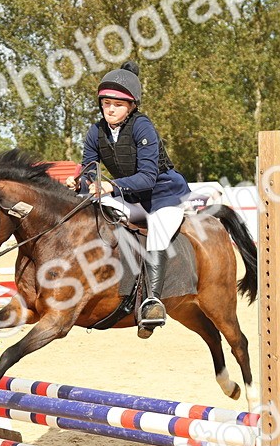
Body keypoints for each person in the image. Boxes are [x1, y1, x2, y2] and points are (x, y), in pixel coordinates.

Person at [70, 61, 191, 339]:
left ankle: (152, 303)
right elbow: (89, 171)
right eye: (106, 103)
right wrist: (81, 183)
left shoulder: (142, 127)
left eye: (117, 104)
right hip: (129, 196)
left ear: (132, 106)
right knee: (95, 213)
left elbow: (148, 178)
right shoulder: (96, 131)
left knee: (157, 232)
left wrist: (110, 186)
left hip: (163, 195)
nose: (110, 109)